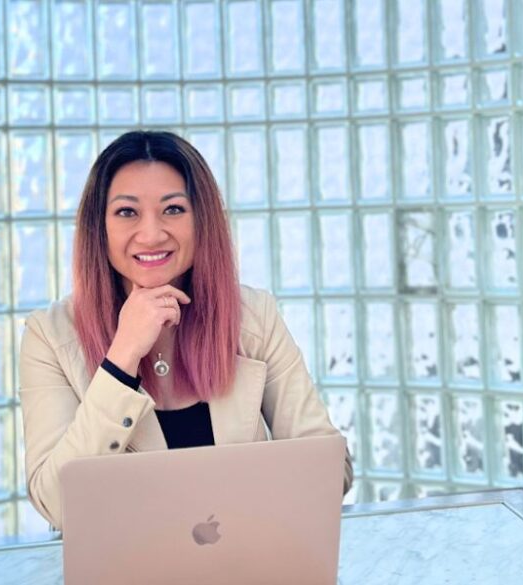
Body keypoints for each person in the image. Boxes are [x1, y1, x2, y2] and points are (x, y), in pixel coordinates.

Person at [18, 130, 353, 530]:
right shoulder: (49, 336)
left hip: (250, 564)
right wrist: (122, 357)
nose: (152, 233)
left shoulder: (254, 316)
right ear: (99, 228)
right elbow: (57, 505)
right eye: (127, 212)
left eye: (173, 209)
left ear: (201, 220)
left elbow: (331, 473)